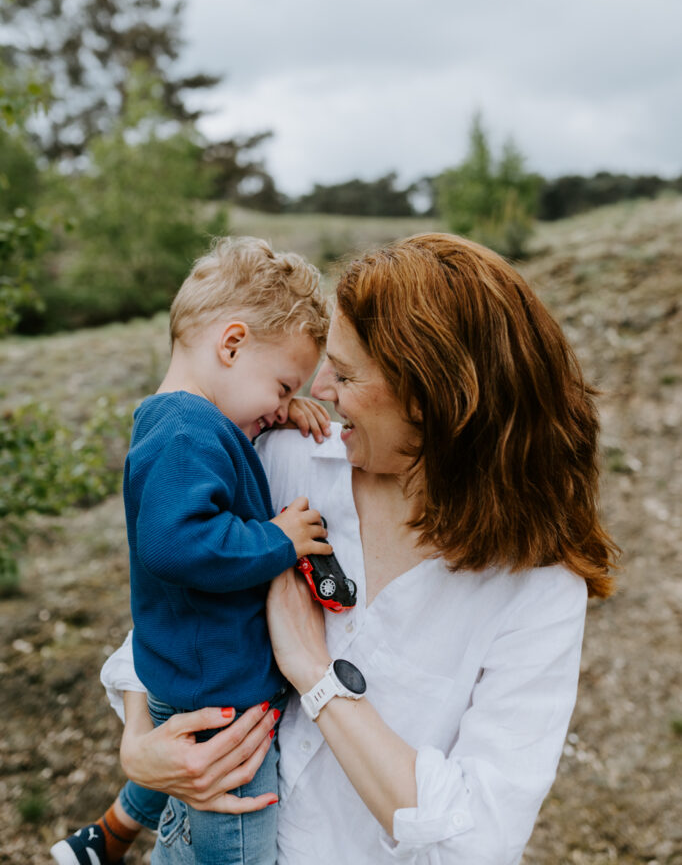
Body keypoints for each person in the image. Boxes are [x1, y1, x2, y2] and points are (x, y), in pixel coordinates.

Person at [82, 233, 620, 864]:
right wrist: (141, 748)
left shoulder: (538, 588)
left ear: (433, 398)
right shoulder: (283, 460)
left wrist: (316, 676)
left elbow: (476, 841)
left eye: (346, 372)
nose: (323, 391)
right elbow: (172, 607)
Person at [50, 236, 333, 865]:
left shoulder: (192, 423)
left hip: (190, 669)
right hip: (223, 698)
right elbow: (176, 544)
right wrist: (278, 540)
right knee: (238, 842)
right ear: (231, 345)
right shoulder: (185, 432)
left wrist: (277, 413)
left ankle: (106, 838)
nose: (283, 405)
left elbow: (223, 467)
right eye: (284, 385)